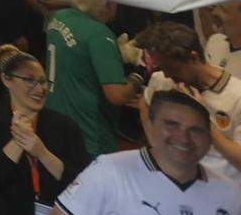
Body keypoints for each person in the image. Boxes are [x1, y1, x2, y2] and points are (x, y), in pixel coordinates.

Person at [53, 91, 241, 213]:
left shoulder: (230, 192)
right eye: (172, 124)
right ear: (149, 126)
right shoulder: (108, 171)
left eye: (196, 130)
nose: (183, 137)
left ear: (209, 139)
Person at [0, 42, 88, 214]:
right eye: (29, 80)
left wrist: (42, 153)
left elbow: (81, 183)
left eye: (43, 82)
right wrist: (18, 141)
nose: (40, 89)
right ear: (6, 79)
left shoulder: (65, 125)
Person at [134, 21, 241, 181]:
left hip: (219, 187)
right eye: (162, 69)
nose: (168, 75)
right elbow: (145, 103)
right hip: (171, 181)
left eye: (172, 68)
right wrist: (154, 143)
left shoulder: (237, 96)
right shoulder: (162, 80)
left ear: (193, 57)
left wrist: (202, 118)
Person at [44, 0, 141, 165]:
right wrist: (138, 75)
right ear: (105, 3)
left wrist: (114, 54)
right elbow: (116, 95)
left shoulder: (60, 17)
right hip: (88, 133)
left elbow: (78, 55)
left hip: (55, 119)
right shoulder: (99, 34)